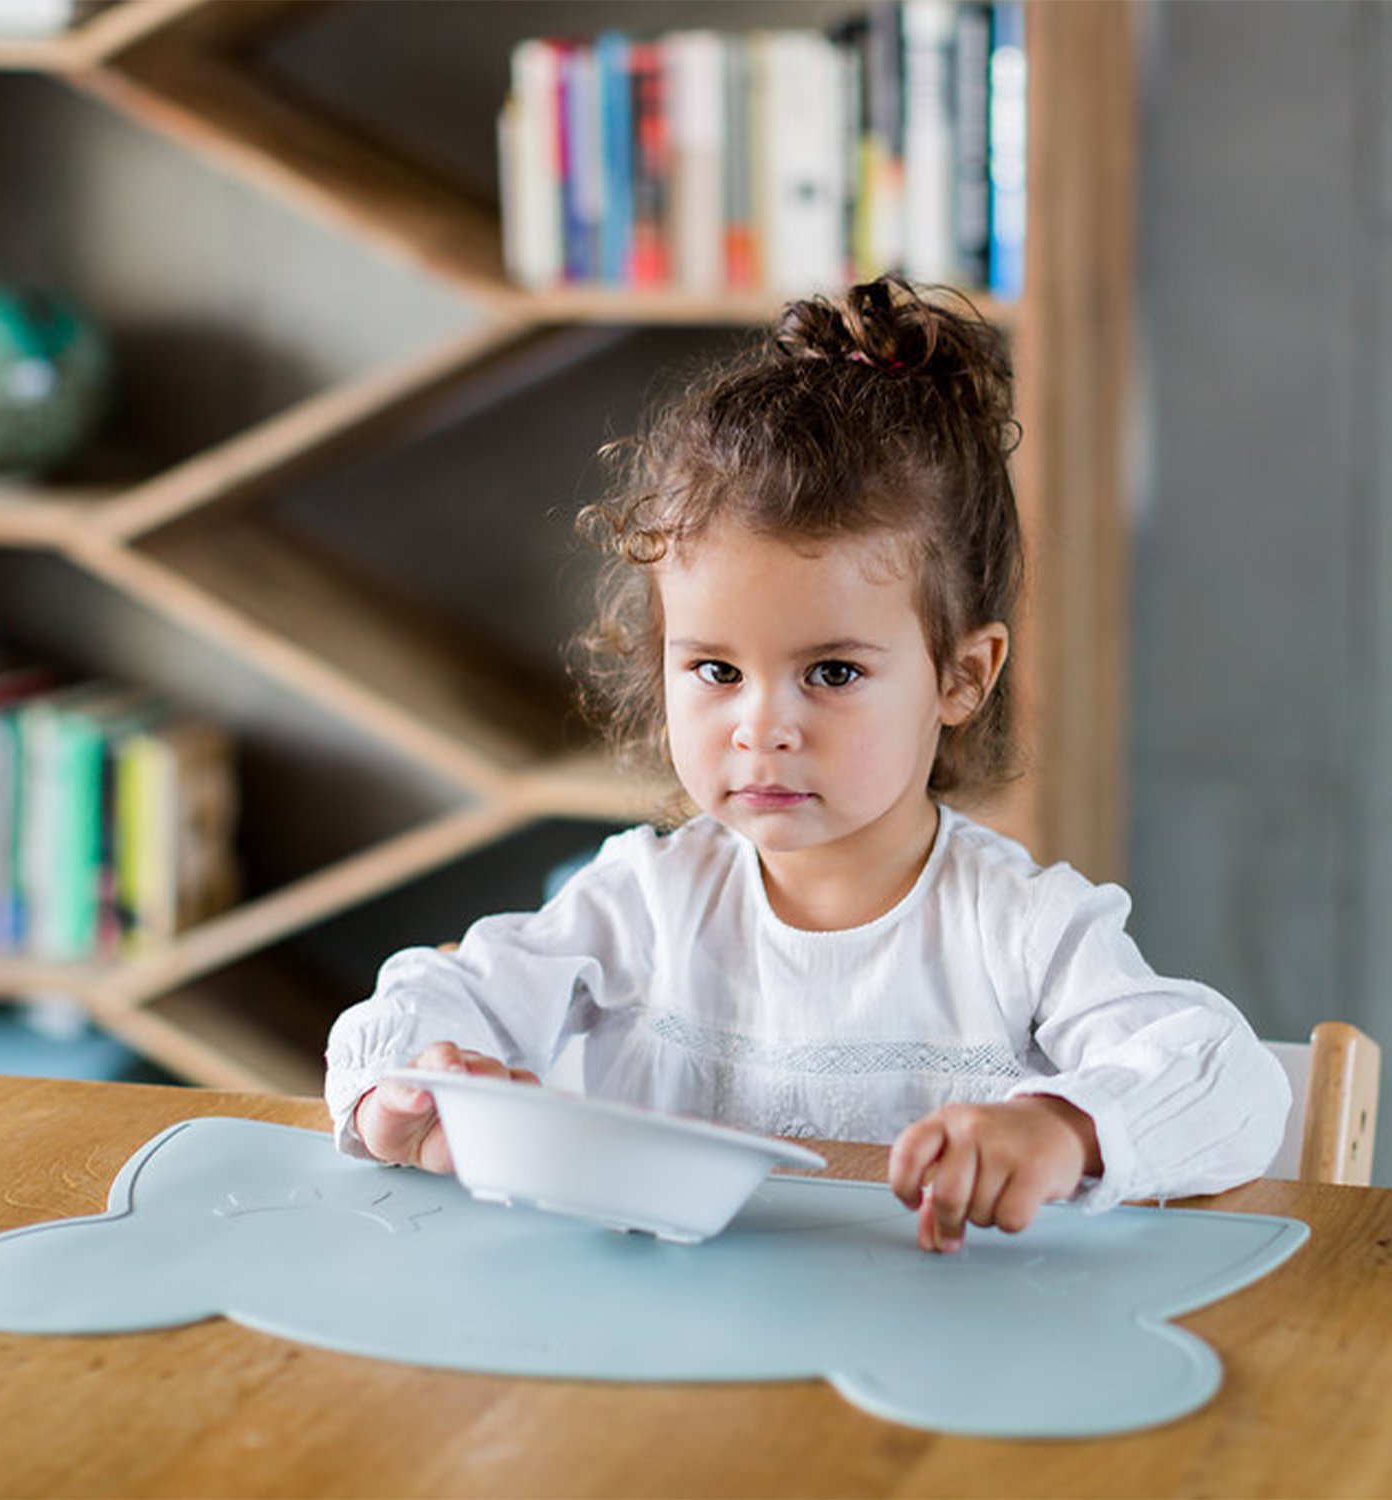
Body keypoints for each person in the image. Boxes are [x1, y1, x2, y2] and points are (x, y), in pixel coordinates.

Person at [325, 276, 1289, 1253]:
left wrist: (1060, 1131)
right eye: (715, 669)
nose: (763, 727)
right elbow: (429, 999)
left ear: (961, 676)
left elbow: (1232, 1082)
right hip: (658, 1367)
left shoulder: (1024, 933)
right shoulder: (643, 903)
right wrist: (401, 1094)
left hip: (920, 1368)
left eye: (831, 672)